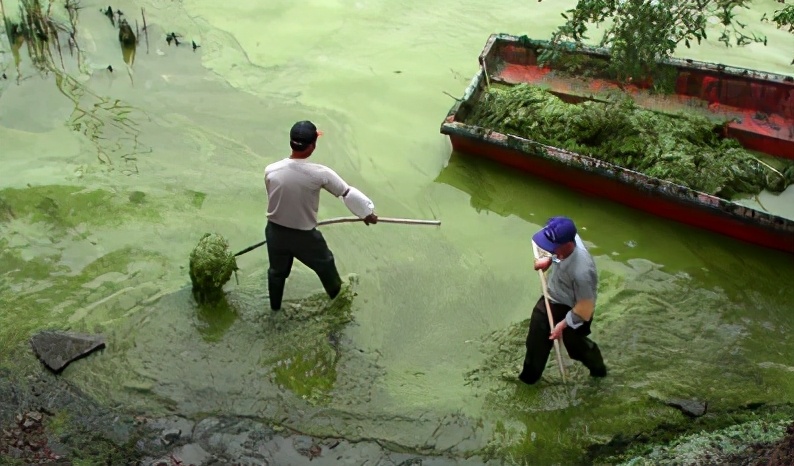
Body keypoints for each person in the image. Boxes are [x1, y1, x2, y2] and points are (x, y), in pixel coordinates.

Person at [263, 120, 378, 311]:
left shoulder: (271, 170)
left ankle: (274, 309)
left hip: (274, 233)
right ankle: (339, 307)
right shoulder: (320, 174)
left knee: (277, 272)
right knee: (325, 264)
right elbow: (346, 193)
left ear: (291, 142)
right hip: (305, 237)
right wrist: (367, 213)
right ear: (312, 146)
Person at [518, 216, 607, 384]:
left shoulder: (582, 272)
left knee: (575, 347)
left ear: (567, 245)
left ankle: (598, 370)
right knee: (536, 342)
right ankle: (529, 379)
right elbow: (557, 252)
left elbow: (585, 308)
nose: (550, 249)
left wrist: (563, 324)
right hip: (553, 297)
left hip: (576, 308)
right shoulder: (566, 241)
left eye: (553, 248)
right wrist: (550, 260)